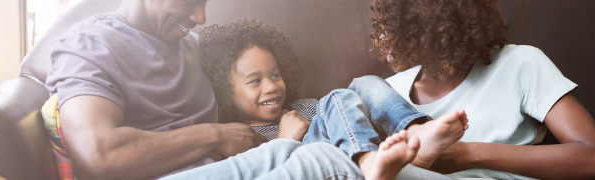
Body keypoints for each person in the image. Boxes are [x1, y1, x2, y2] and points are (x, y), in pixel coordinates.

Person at [162, 19, 467, 180]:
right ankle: (369, 162)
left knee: (360, 85)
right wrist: (283, 139)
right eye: (255, 81)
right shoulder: (238, 137)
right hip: (310, 165)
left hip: (355, 148)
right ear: (224, 90)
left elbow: (346, 114)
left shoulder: (306, 106)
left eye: (275, 74)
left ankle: (414, 128)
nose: (271, 87)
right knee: (338, 96)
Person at [370, 0, 595, 179]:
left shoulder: (520, 63)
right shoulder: (390, 92)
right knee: (349, 94)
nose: (383, 35)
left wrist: (467, 154)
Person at [43, 0, 269, 179]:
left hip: (231, 169)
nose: (200, 18)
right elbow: (99, 156)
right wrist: (215, 136)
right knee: (304, 158)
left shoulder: (194, 46)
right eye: (189, 2)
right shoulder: (90, 45)